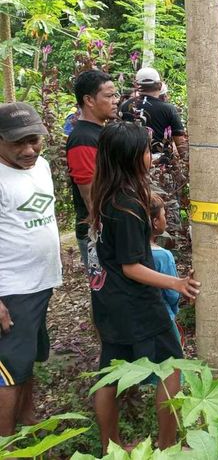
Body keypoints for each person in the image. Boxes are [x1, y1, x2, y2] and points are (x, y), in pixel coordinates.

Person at [87, 121, 200, 451]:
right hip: (135, 303)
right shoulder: (129, 205)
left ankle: (112, 447)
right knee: (170, 367)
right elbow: (132, 266)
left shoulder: (106, 194)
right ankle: (167, 447)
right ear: (132, 158)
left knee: (109, 374)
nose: (151, 155)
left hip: (108, 300)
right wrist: (177, 283)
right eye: (147, 150)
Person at [0, 103, 62, 437]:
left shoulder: (42, 167)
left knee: (26, 362)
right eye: (17, 144)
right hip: (12, 289)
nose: (28, 150)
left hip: (40, 283)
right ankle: (6, 444)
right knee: (8, 369)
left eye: (33, 140)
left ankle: (27, 421)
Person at [66, 70, 120, 270]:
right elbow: (90, 195)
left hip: (110, 226)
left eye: (115, 95)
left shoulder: (100, 132)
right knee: (107, 291)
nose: (115, 101)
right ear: (89, 100)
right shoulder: (83, 139)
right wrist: (105, 233)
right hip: (98, 233)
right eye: (108, 96)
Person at [119, 67, 187, 157]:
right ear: (159, 85)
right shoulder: (168, 109)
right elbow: (180, 144)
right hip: (161, 166)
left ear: (136, 86)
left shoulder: (125, 106)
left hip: (130, 162)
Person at [149, 194, 182, 343]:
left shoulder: (125, 252)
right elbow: (172, 294)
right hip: (164, 318)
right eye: (164, 215)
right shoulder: (163, 256)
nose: (166, 219)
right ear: (155, 221)